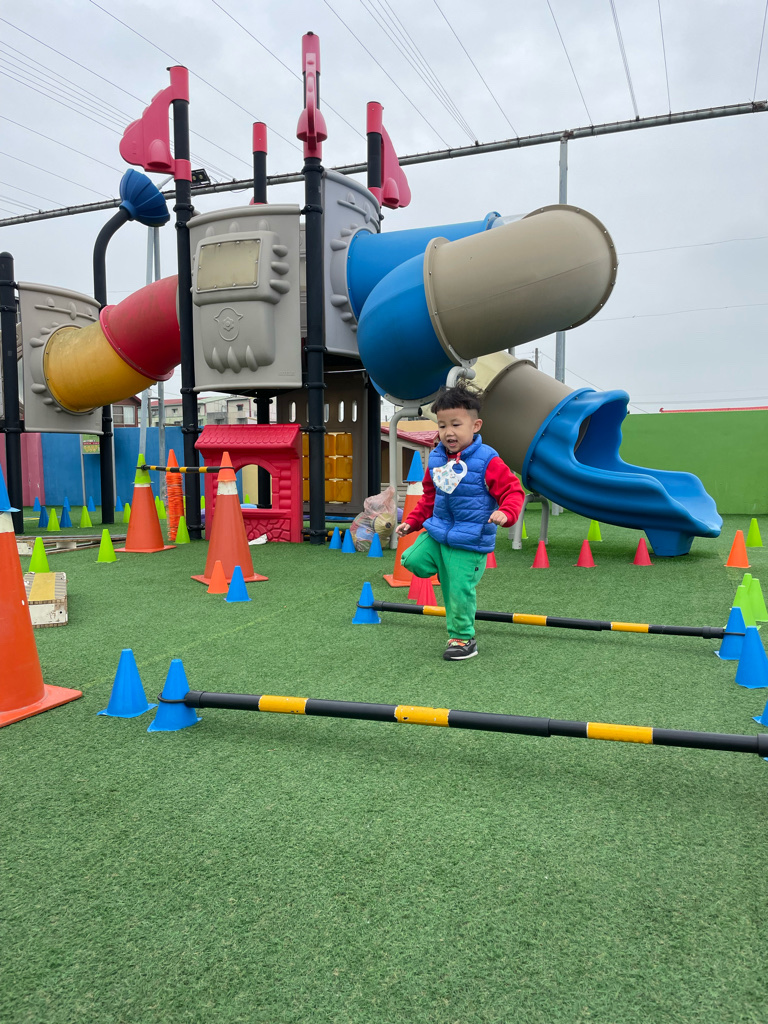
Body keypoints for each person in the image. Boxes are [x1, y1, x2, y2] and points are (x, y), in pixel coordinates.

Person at [396, 383, 525, 660]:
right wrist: (413, 522)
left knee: (458, 590)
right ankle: (448, 571)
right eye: (442, 425)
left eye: (456, 424)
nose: (448, 432)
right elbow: (429, 498)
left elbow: (513, 491)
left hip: (469, 539)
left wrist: (506, 513)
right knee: (412, 560)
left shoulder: (487, 460)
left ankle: (463, 639)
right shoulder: (436, 459)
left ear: (475, 426)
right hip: (438, 532)